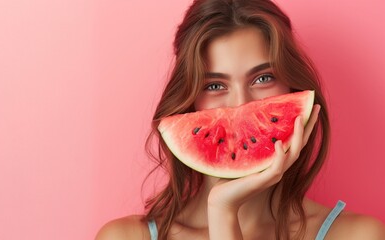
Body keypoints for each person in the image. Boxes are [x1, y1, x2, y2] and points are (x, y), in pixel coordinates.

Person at [96, 0, 385, 239]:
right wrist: (222, 207)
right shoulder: (125, 237)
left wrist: (224, 214)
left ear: (292, 89)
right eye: (214, 86)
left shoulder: (355, 235)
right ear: (188, 102)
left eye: (263, 78)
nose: (240, 105)